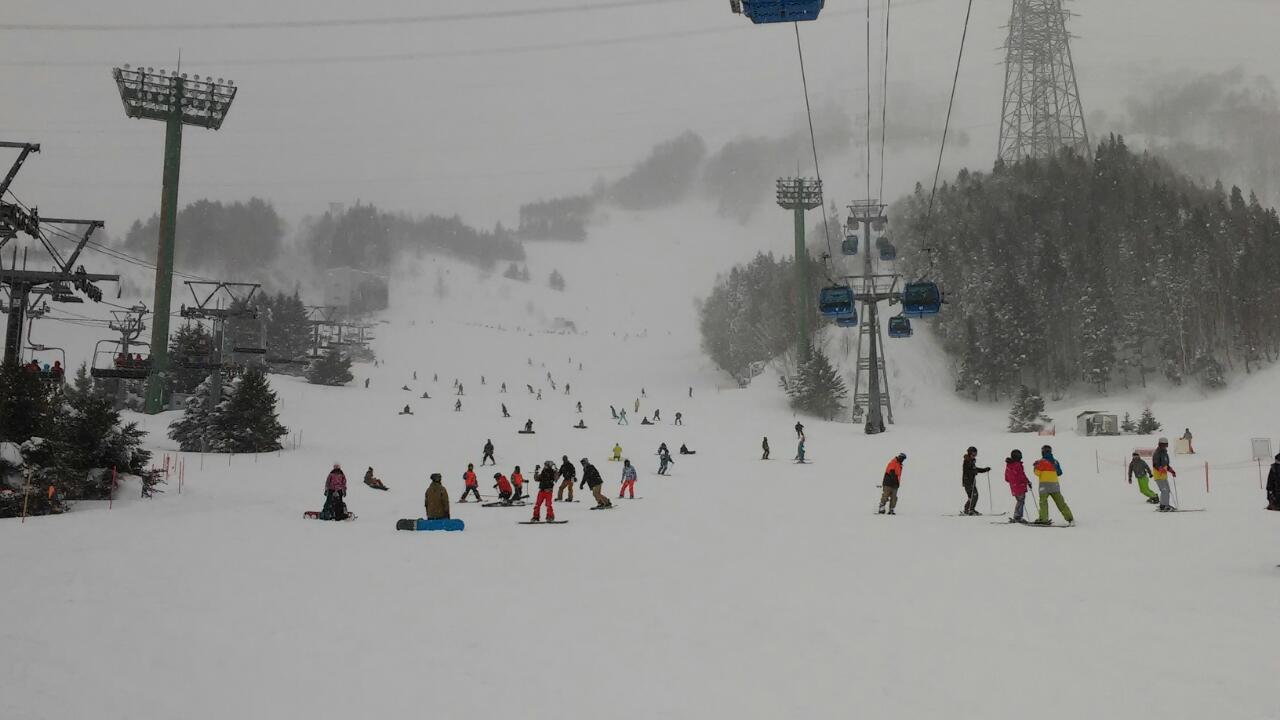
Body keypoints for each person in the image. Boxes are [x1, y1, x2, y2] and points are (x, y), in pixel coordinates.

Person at [1032, 445, 1074, 525]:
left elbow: (1037, 473)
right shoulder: (1055, 462)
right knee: (1060, 502)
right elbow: (1059, 473)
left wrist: (1035, 466)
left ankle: (1043, 519)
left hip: (1044, 486)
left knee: (1043, 502)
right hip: (1055, 485)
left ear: (1042, 452)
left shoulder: (1041, 462)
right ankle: (1070, 518)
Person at [961, 447, 991, 516]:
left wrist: (984, 470)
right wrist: (973, 471)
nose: (974, 456)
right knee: (974, 495)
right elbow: (967, 471)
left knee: (971, 496)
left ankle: (967, 509)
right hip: (968, 482)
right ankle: (971, 510)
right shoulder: (967, 461)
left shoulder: (971, 461)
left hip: (971, 482)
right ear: (969, 453)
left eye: (975, 454)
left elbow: (975, 469)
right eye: (973, 454)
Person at [1004, 450, 1031, 523]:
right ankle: (1017, 516)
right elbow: (1022, 476)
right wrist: (1027, 482)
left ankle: (1017, 516)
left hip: (1014, 486)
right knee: (1021, 500)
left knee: (1019, 500)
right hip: (1020, 486)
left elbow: (1006, 478)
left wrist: (1013, 481)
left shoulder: (1009, 465)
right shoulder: (1018, 465)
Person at [1152, 437, 1177, 511]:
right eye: (1163, 445)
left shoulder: (1165, 453)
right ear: (1160, 444)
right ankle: (1164, 506)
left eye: (1166, 445)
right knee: (1164, 490)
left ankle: (1164, 504)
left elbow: (1166, 465)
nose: (1165, 446)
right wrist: (1159, 469)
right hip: (1158, 475)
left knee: (1167, 490)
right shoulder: (1157, 453)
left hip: (1163, 475)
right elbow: (1155, 464)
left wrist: (1171, 470)